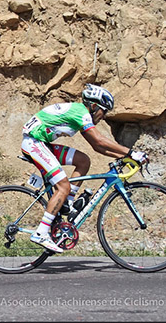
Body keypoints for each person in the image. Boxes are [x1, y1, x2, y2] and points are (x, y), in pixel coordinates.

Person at [21, 83, 149, 253]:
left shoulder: (80, 113)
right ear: (95, 106)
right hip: (34, 143)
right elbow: (100, 140)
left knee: (83, 161)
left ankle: (67, 203)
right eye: (104, 111)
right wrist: (131, 153)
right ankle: (41, 232)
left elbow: (97, 147)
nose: (104, 116)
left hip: (41, 143)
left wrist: (123, 157)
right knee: (63, 186)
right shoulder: (81, 113)